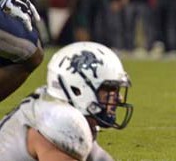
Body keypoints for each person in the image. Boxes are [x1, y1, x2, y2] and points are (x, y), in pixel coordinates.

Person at [0, 41, 133, 160]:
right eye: (109, 89)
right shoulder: (59, 120)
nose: (118, 98)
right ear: (77, 89)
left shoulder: (57, 109)